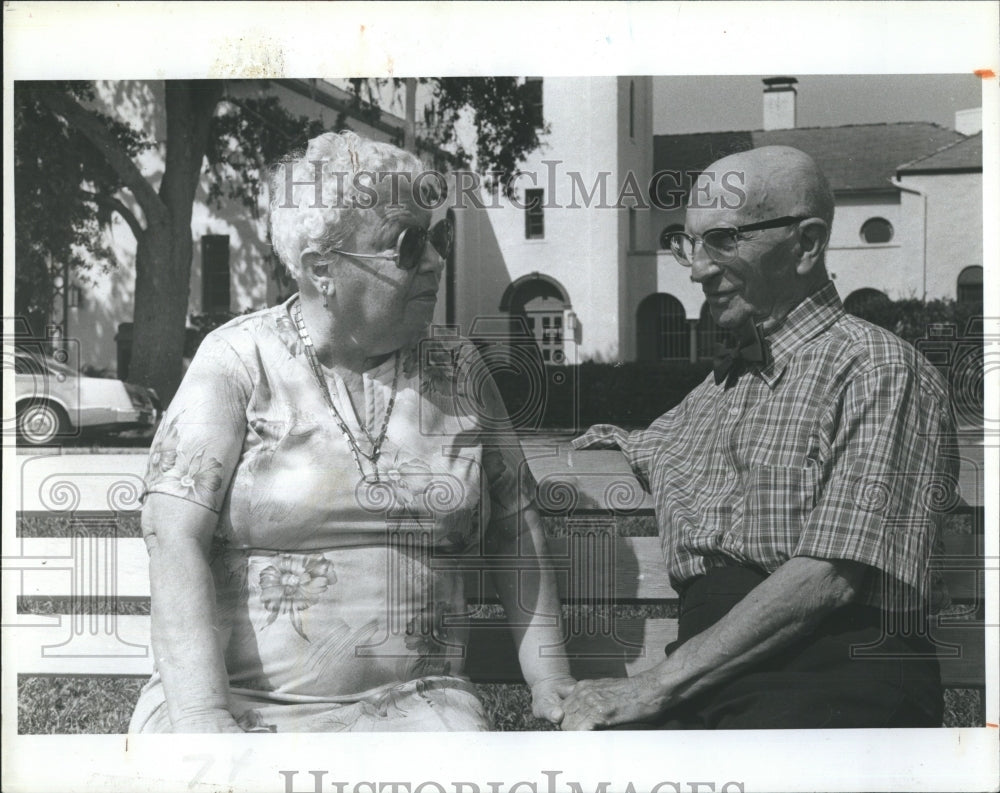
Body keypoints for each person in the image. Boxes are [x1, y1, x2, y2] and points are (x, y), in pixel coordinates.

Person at [129, 131, 575, 733]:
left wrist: (551, 681)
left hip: (418, 704)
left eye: (436, 237)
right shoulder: (237, 359)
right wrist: (204, 716)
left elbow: (515, 528)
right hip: (232, 701)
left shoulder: (461, 369)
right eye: (409, 244)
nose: (437, 260)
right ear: (323, 270)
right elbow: (171, 533)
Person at [561, 145, 956, 730]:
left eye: (723, 240)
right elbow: (642, 441)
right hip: (713, 679)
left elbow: (830, 579)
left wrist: (654, 686)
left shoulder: (877, 368)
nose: (696, 269)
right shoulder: (717, 390)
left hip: (833, 673)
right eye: (688, 243)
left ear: (806, 244)